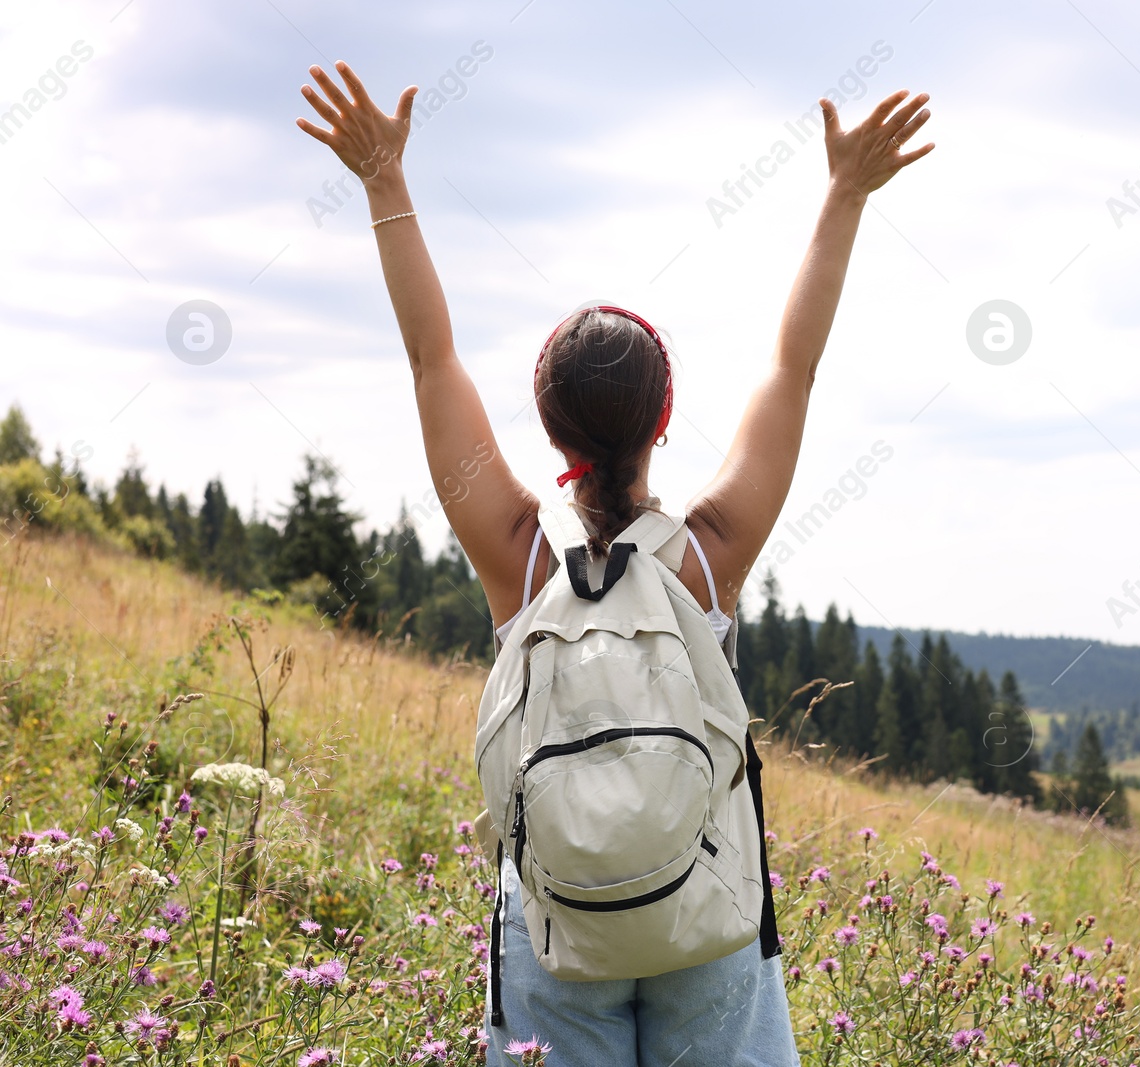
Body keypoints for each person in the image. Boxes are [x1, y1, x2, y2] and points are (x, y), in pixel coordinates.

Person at [296, 58, 934, 1067]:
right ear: (664, 420)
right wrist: (845, 193)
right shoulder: (709, 559)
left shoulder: (522, 560)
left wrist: (384, 181)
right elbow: (792, 368)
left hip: (557, 917)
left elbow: (432, 359)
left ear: (550, 431)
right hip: (709, 908)